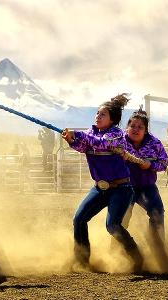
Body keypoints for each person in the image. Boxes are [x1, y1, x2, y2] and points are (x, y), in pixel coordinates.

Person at [61, 93, 143, 272]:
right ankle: (81, 260)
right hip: (100, 188)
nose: (98, 116)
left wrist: (78, 134)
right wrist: (72, 141)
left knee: (112, 225)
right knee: (79, 219)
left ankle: (137, 256)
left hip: (121, 188)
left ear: (112, 119)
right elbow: (85, 146)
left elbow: (102, 144)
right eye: (97, 113)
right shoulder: (91, 133)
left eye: (102, 114)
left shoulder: (116, 135)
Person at [122, 107, 168, 273]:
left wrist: (150, 165)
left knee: (157, 212)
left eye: (140, 127)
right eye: (133, 126)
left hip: (147, 186)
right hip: (125, 187)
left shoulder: (155, 143)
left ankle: (159, 250)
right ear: (127, 127)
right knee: (120, 219)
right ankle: (119, 251)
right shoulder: (119, 142)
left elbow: (164, 163)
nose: (136, 130)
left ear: (145, 130)